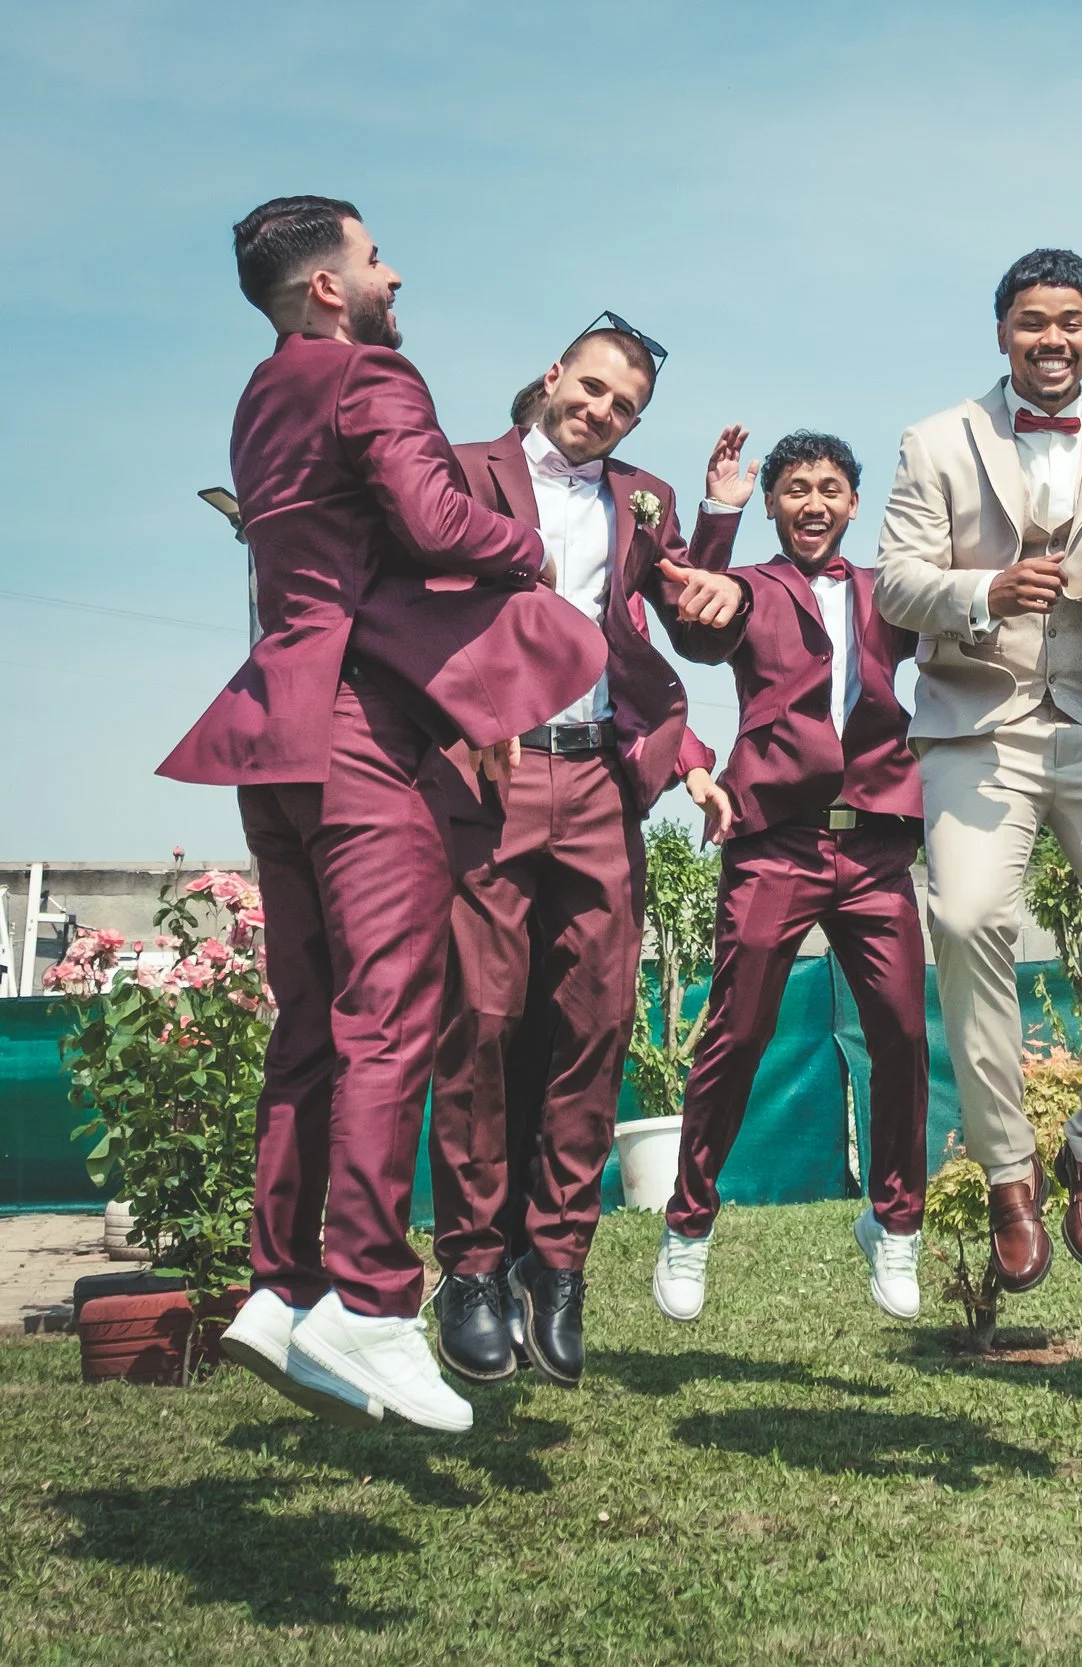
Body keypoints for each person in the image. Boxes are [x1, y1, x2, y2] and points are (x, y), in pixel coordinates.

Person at [161, 196, 605, 1432]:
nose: (393, 274)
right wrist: (524, 550)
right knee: (388, 1012)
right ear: (325, 289)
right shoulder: (372, 375)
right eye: (373, 258)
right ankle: (367, 1295)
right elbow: (429, 517)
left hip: (271, 729)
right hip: (361, 727)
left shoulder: (261, 396)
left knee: (309, 1021)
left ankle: (277, 1282)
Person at [874, 249, 1082, 1295]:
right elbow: (895, 584)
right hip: (981, 723)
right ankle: (1011, 1170)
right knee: (970, 918)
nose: (1051, 339)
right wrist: (982, 591)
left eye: (1070, 321)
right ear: (1002, 333)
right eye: (1031, 322)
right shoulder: (936, 440)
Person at [420, 319, 747, 1390]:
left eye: (623, 404)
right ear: (554, 374)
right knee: (479, 1019)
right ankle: (469, 1268)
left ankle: (555, 1262)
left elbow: (692, 633)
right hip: (488, 778)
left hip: (601, 780)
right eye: (592, 387)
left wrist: (720, 528)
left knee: (596, 1022)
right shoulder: (461, 472)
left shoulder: (641, 498)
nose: (601, 410)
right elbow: (419, 611)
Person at [651, 431, 929, 1325]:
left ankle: (895, 1220)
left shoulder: (889, 591)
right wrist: (719, 519)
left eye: (832, 489)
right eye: (797, 489)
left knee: (900, 1032)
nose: (814, 503)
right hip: (776, 841)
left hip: (878, 842)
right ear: (775, 505)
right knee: (738, 1031)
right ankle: (689, 1222)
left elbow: (967, 611)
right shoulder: (754, 588)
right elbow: (694, 621)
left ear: (855, 503)